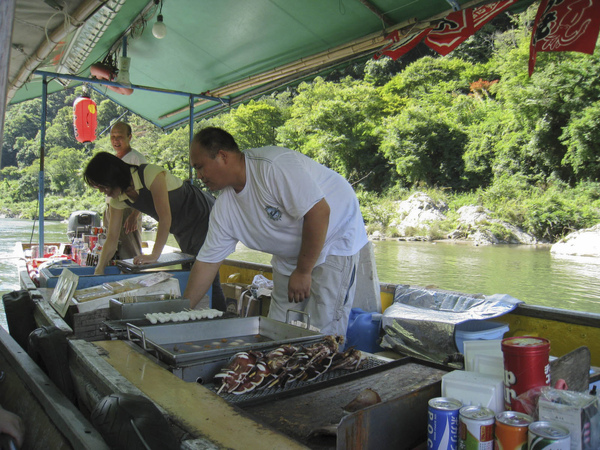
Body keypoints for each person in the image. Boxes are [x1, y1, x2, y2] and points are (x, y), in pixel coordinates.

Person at [184, 127, 371, 336]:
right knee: (277, 328)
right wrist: (180, 314)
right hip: (289, 254)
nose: (198, 176)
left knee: (321, 329)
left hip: (334, 236)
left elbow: (319, 213)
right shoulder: (224, 208)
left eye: (200, 167)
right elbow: (207, 263)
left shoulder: (272, 165)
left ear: (222, 156)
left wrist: (303, 271)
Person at [83, 152, 224, 305]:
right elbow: (112, 238)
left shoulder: (150, 174)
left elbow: (165, 218)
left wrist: (154, 255)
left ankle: (220, 316)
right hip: (181, 227)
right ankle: (200, 313)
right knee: (192, 270)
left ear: (112, 176)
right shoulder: (118, 199)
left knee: (204, 270)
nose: (103, 191)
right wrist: (99, 270)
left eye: (103, 186)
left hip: (202, 213)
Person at [104, 122, 147, 260]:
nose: (116, 140)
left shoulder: (137, 159)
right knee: (112, 246)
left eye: (120, 136)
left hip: (129, 209)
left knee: (130, 250)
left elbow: (145, 190)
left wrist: (135, 215)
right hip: (111, 208)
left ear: (129, 137)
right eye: (113, 136)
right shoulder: (112, 160)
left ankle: (133, 277)